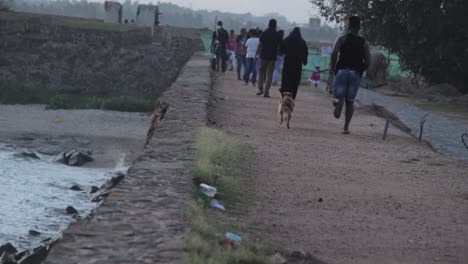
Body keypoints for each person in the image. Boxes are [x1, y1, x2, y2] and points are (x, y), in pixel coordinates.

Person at [329, 16, 371, 134]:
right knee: (351, 101)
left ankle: (339, 102)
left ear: (348, 26)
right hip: (355, 73)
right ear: (359, 27)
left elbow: (334, 53)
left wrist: (332, 66)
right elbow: (368, 61)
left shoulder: (342, 38)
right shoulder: (364, 43)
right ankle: (346, 128)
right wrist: (361, 69)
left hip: (342, 71)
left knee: (338, 94)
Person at [279, 27, 308, 100]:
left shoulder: (287, 39)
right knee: (295, 79)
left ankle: (284, 91)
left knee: (286, 78)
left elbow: (281, 47)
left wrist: (284, 53)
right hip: (297, 64)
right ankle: (293, 94)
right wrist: (305, 61)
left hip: (288, 62)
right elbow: (305, 53)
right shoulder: (302, 42)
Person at [256, 19, 282, 97]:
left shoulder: (264, 33)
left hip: (263, 56)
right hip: (272, 58)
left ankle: (260, 89)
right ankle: (266, 91)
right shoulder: (278, 35)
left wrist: (256, 55)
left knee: (261, 73)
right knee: (269, 75)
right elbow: (280, 46)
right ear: (275, 25)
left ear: (268, 24)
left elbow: (260, 45)